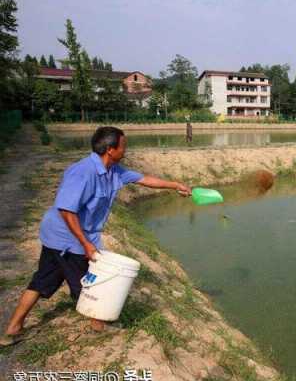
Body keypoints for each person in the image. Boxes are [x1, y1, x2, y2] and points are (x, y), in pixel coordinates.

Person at [1, 126, 191, 345]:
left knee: (43, 279)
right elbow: (66, 210)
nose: (125, 150)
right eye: (123, 146)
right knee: (90, 280)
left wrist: (175, 185)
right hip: (67, 236)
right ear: (111, 149)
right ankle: (98, 325)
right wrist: (86, 244)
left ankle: (13, 328)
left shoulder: (113, 170)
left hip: (61, 236)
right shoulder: (83, 172)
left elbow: (143, 179)